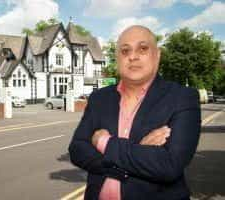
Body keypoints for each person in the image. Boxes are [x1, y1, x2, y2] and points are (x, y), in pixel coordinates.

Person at [68, 25, 201, 200]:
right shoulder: (99, 98)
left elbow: (170, 165)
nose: (132, 56)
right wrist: (138, 153)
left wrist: (104, 142)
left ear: (157, 55)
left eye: (143, 48)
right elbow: (77, 149)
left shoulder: (182, 97)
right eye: (125, 51)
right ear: (117, 58)